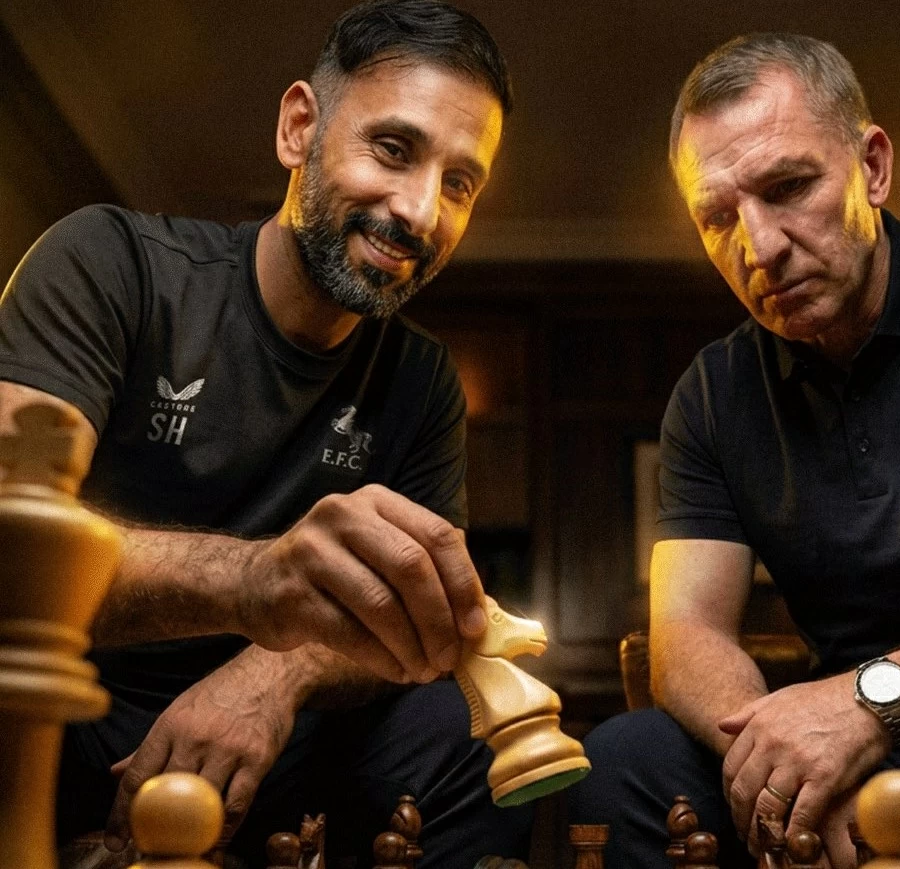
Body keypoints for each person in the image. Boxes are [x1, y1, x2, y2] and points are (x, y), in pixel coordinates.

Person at [0, 2, 532, 866]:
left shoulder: (424, 380)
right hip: (67, 707)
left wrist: (270, 673)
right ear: (299, 129)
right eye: (393, 149)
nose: (420, 210)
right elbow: (15, 541)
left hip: (278, 745)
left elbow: (419, 623)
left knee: (463, 734)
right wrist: (256, 581)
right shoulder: (110, 264)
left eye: (460, 184)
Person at [569, 32, 900, 869]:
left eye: (788, 188)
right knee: (627, 761)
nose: (759, 246)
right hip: (846, 756)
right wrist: (785, 759)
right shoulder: (712, 392)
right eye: (718, 217)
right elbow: (686, 637)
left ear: (872, 168)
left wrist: (865, 703)